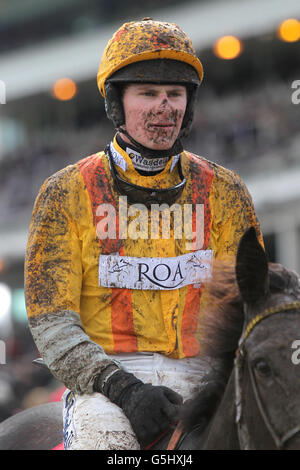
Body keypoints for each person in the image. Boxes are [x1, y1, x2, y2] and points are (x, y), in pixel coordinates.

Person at [25, 18, 263, 450]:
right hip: (106, 387)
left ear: (188, 106)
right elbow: (52, 321)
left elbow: (250, 302)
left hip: (209, 378)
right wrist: (122, 388)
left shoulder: (226, 191)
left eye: (175, 94)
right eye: (148, 94)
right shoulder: (64, 192)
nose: (164, 107)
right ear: (117, 103)